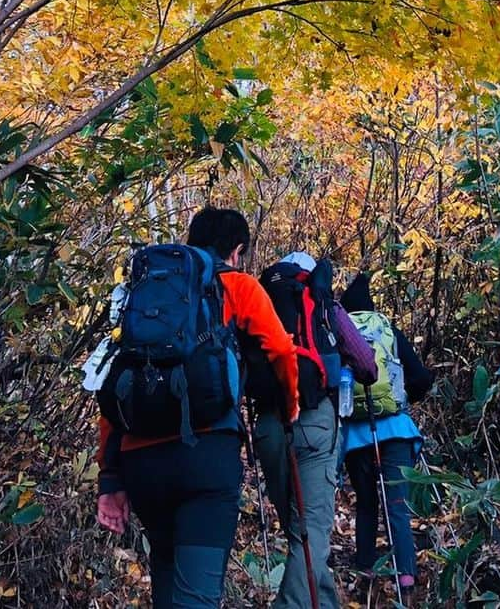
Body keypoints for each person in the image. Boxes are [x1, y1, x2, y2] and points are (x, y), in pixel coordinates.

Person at [96, 208, 300, 609]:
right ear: (237, 251)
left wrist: (110, 478)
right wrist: (290, 405)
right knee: (197, 599)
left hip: (141, 461)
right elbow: (280, 349)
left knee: (167, 585)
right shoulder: (238, 286)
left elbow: (112, 383)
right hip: (206, 454)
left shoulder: (145, 295)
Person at [250, 250, 378, 609]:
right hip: (314, 421)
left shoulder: (261, 305)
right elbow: (367, 365)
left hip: (269, 426)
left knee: (301, 531)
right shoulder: (325, 307)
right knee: (310, 535)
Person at [339, 273, 434, 603]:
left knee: (366, 506)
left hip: (355, 437)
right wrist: (402, 398)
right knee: (397, 509)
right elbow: (420, 378)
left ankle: (365, 577)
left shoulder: (340, 332)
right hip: (395, 431)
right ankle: (406, 580)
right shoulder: (387, 330)